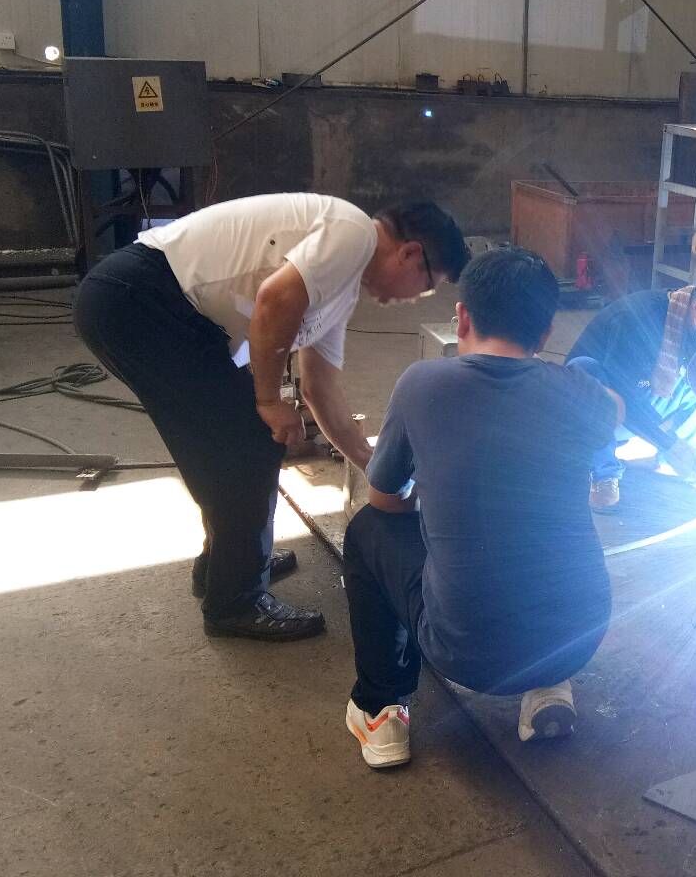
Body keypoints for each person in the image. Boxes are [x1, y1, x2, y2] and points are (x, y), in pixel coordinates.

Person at [74, 192, 468, 642]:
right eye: (426, 285)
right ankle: (235, 601)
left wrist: (376, 467)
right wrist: (267, 401)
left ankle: (227, 566)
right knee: (248, 442)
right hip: (136, 298)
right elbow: (274, 300)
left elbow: (319, 388)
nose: (415, 299)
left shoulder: (339, 289)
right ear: (410, 253)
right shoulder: (355, 232)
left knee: (228, 444)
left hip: (149, 306)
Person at [342, 246, 623, 768]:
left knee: (367, 529)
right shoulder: (578, 391)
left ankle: (380, 710)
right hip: (579, 639)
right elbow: (615, 410)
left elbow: (386, 499)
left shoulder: (422, 384)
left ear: (462, 317)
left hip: (468, 656)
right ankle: (548, 687)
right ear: (546, 331)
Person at [566, 256, 696, 510]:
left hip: (641, 400)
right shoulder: (636, 320)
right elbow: (622, 400)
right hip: (595, 414)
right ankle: (603, 475)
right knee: (586, 372)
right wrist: (669, 443)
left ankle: (674, 465)